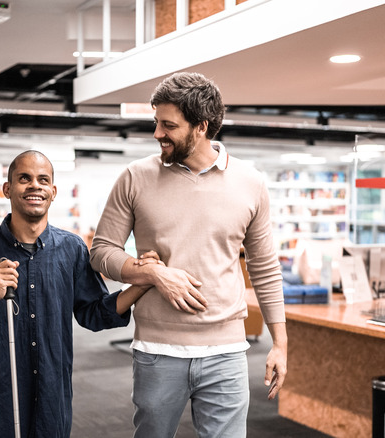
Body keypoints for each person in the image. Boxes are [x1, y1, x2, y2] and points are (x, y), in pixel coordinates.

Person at [90, 72, 288, 438]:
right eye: (156, 122)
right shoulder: (134, 177)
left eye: (168, 125)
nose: (157, 134)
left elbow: (264, 267)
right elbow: (101, 251)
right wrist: (151, 274)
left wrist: (280, 343)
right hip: (157, 349)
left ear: (201, 126)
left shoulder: (251, 182)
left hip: (227, 350)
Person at [0, 150, 157, 437]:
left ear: (53, 192)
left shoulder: (72, 248)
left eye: (43, 180)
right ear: (7, 189)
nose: (35, 186)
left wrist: (142, 281)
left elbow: (93, 312)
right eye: (24, 179)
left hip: (51, 394)